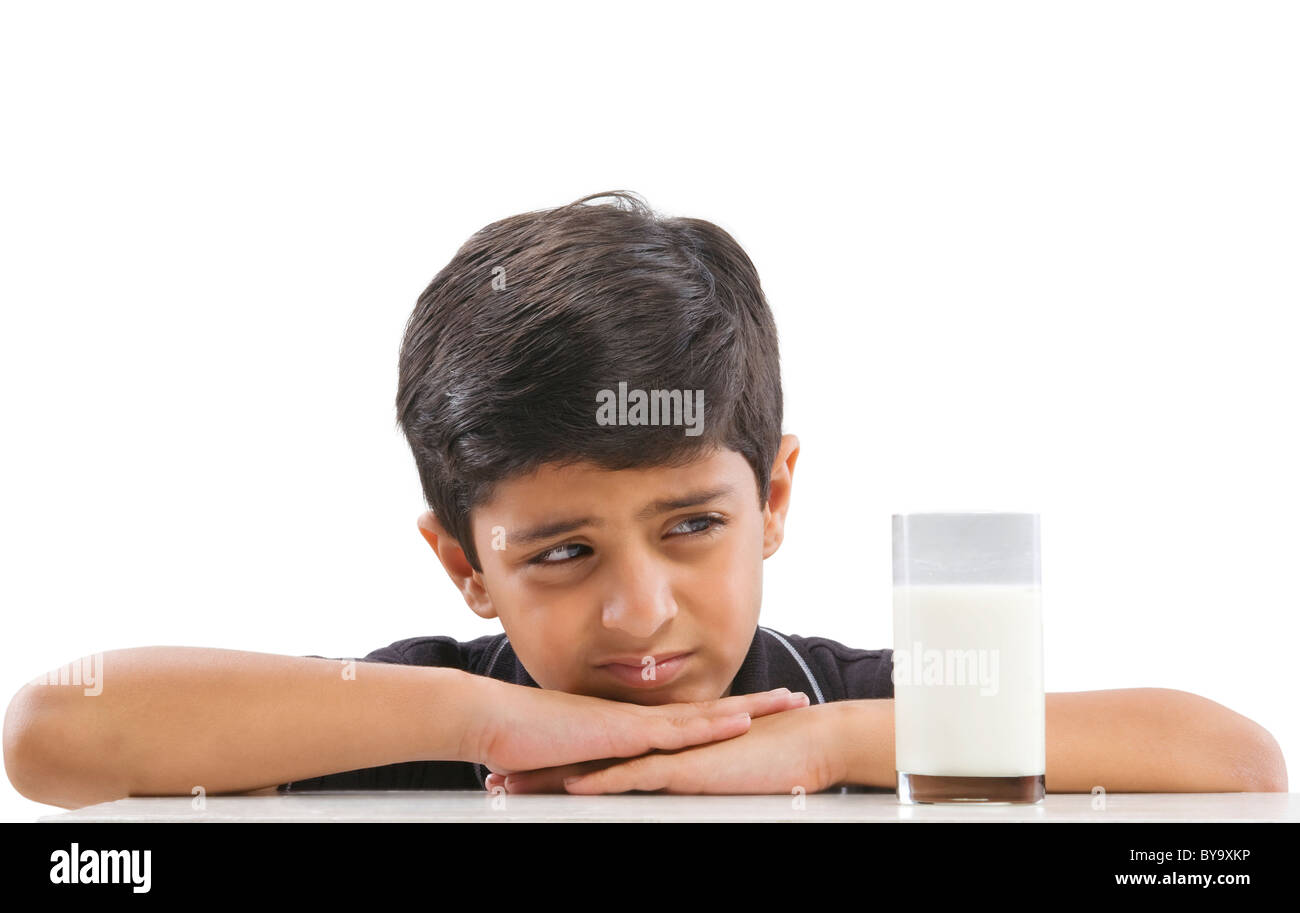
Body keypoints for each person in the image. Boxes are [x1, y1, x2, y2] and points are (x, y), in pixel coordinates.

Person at [4, 192, 1286, 807]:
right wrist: (478, 718)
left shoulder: (840, 702)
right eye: (558, 551)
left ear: (773, 495)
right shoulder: (422, 722)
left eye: (691, 525)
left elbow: (1231, 760)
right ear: (464, 566)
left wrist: (831, 747)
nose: (639, 608)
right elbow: (55, 730)